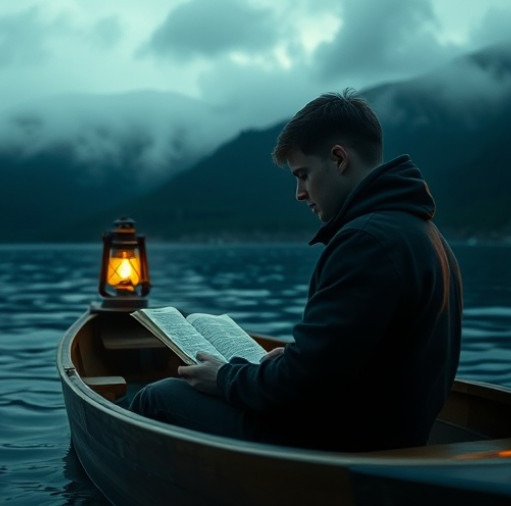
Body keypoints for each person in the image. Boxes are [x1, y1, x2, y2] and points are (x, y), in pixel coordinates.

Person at [129, 88, 463, 452]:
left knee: (158, 397)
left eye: (303, 175)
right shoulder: (424, 233)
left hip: (341, 444)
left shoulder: (366, 242)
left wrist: (225, 377)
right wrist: (292, 358)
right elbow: (358, 357)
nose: (299, 193)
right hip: (385, 432)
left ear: (338, 159)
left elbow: (302, 386)